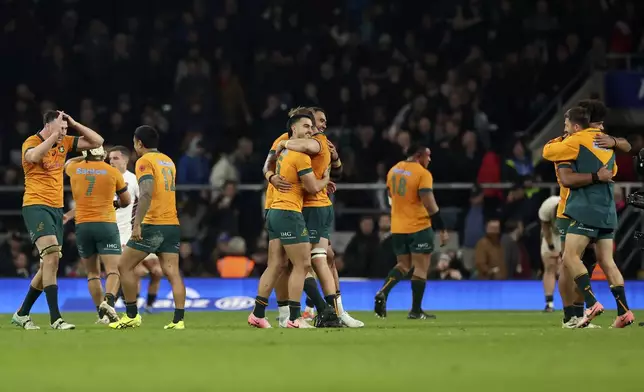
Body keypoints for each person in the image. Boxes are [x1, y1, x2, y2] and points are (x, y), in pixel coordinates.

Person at [543, 106, 635, 328]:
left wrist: (610, 144)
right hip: (602, 208)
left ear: (576, 125)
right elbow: (612, 170)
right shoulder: (600, 143)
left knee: (570, 259)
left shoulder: (572, 143)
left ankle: (584, 308)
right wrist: (613, 144)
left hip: (580, 207)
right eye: (599, 123)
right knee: (603, 261)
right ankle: (614, 313)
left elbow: (550, 156)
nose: (602, 128)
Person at [13, 110, 103, 330]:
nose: (64, 131)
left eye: (65, 128)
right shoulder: (32, 142)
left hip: (56, 207)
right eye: (60, 127)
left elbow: (97, 141)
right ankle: (56, 319)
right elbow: (33, 157)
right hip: (35, 205)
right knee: (52, 255)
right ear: (48, 125)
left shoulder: (65, 141)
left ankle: (22, 314)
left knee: (48, 264)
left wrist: (74, 123)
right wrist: (54, 137)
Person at [276, 107, 363, 327]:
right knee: (310, 260)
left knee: (311, 260)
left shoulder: (314, 141)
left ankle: (325, 310)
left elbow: (337, 171)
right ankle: (311, 310)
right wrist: (271, 175)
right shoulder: (303, 141)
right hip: (303, 206)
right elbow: (269, 164)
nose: (323, 125)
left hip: (312, 206)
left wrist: (333, 160)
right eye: (318, 121)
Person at [248, 112, 329, 328]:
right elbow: (312, 187)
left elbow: (271, 164)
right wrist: (325, 179)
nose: (310, 130)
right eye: (306, 126)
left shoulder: (283, 151)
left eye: (312, 126)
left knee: (275, 265)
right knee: (301, 264)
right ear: (293, 129)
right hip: (289, 212)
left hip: (274, 210)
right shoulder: (298, 154)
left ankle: (257, 313)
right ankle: (294, 318)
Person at [109, 126, 186, 330]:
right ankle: (179, 321)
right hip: (172, 224)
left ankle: (132, 315)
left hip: (153, 224)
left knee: (124, 266)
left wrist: (137, 224)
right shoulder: (168, 161)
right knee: (173, 272)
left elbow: (146, 193)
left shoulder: (144, 161)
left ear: (139, 143)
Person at [374, 144, 448, 319]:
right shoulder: (422, 174)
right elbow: (429, 203)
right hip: (419, 226)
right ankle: (416, 311)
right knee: (421, 268)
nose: (429, 159)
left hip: (398, 227)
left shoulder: (393, 170)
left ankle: (383, 291)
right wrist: (442, 228)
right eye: (427, 155)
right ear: (418, 155)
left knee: (403, 265)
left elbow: (391, 198)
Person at [64, 146, 130, 324]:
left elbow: (67, 163)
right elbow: (127, 201)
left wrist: (83, 157)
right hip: (106, 224)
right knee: (113, 270)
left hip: (83, 226)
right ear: (102, 154)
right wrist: (115, 203)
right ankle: (108, 303)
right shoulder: (112, 171)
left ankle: (101, 315)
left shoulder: (75, 169)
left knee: (92, 273)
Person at [108, 145, 165, 313]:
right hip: (115, 234)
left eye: (115, 158)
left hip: (135, 232)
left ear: (126, 160)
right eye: (109, 158)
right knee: (135, 271)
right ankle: (116, 306)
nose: (111, 161)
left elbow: (147, 203)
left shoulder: (133, 180)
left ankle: (148, 306)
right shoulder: (105, 178)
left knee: (157, 271)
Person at [538, 195, 561, 312]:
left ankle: (572, 304)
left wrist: (562, 254)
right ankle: (549, 303)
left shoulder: (576, 211)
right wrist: (552, 248)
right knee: (550, 266)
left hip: (568, 235)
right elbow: (546, 230)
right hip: (551, 234)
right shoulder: (547, 207)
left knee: (566, 268)